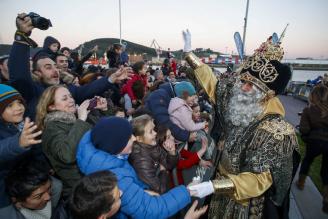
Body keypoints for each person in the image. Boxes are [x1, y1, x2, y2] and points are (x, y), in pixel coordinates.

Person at [182, 30, 300, 218]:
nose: (243, 88)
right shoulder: (241, 100)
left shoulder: (276, 131)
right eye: (243, 80)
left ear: (267, 93)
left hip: (244, 201)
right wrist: (189, 54)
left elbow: (260, 179)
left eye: (251, 85)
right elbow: (215, 85)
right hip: (219, 182)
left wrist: (214, 186)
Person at [9, 13, 131, 119]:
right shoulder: (32, 92)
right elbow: (19, 75)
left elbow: (86, 90)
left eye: (55, 66)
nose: (55, 70)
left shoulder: (66, 88)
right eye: (48, 67)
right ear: (37, 73)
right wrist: (21, 36)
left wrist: (111, 78)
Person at [76, 117, 193, 218]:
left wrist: (141, 191)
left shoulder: (108, 153)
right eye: (128, 138)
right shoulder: (115, 179)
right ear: (117, 147)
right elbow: (150, 210)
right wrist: (187, 192)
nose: (134, 138)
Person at [35, 85, 107, 199]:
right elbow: (67, 155)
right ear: (52, 107)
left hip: (95, 180)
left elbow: (106, 134)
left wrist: (104, 111)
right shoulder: (52, 128)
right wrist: (81, 119)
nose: (71, 100)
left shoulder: (74, 118)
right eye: (64, 99)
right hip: (82, 190)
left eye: (70, 96)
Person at [0, 84, 43, 208]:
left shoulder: (25, 123)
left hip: (30, 178)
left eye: (19, 102)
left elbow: (37, 151)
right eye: (9, 105)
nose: (18, 108)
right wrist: (18, 143)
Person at [296, 85, 328, 213]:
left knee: (307, 161)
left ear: (313, 95)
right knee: (326, 170)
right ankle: (327, 197)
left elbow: (304, 129)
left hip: (314, 141)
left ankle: (301, 183)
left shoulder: (308, 110)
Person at [0, 158, 65, 219]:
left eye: (49, 188)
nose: (48, 197)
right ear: (17, 200)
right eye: (39, 196)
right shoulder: (8, 214)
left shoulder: (56, 187)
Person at [129, 115, 178, 194]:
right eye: (151, 131)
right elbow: (159, 190)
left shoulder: (152, 145)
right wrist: (163, 172)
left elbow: (169, 165)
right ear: (139, 139)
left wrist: (172, 152)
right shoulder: (141, 160)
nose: (155, 133)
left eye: (154, 129)